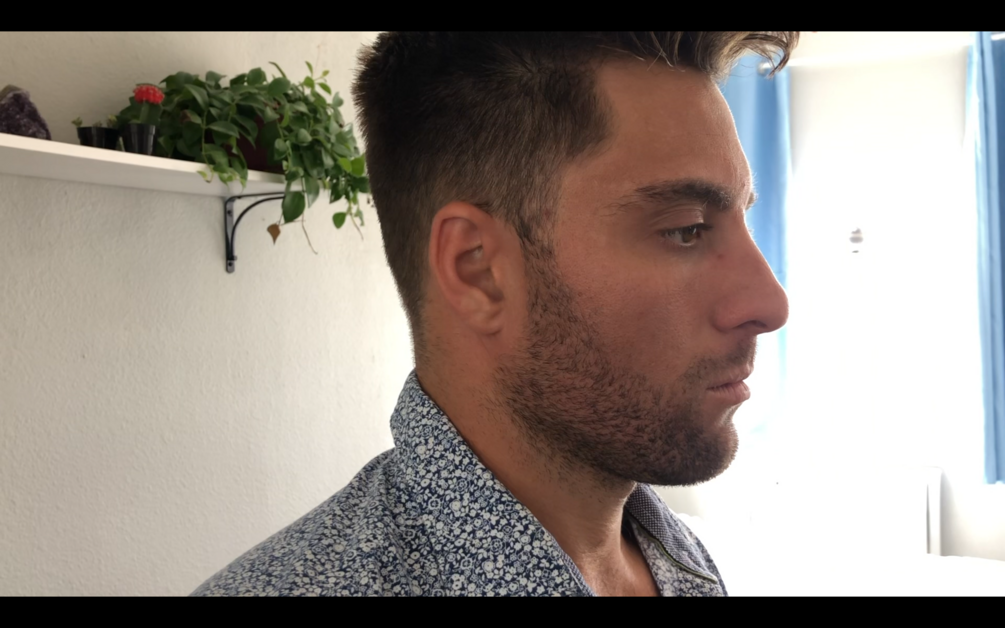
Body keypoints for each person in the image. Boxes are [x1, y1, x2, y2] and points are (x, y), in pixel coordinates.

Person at [192, 31, 795, 597]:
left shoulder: (673, 553)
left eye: (742, 217)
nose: (771, 304)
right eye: (686, 229)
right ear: (477, 270)